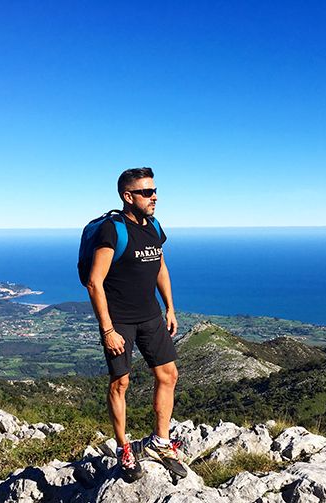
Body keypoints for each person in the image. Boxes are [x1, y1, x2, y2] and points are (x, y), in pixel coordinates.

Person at [85, 167, 184, 481]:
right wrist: (108, 330)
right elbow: (94, 282)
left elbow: (160, 267)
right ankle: (124, 448)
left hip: (151, 315)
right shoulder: (112, 231)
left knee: (168, 375)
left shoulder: (153, 226)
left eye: (154, 191)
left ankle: (161, 441)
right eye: (146, 192)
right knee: (120, 384)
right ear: (128, 196)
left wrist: (169, 307)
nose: (154, 197)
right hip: (120, 322)